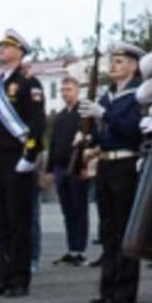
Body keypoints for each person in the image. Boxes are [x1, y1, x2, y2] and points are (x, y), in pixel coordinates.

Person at [0, 29, 45, 298]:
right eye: (1, 46)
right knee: (2, 222)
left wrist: (29, 157)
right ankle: (3, 277)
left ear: (20, 51)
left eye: (7, 46)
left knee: (19, 223)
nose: (2, 50)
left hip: (16, 160)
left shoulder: (29, 83)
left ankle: (19, 279)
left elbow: (37, 123)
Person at [86, 43, 144, 303]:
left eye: (120, 61)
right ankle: (107, 287)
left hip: (125, 164)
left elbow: (133, 130)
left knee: (123, 227)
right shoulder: (107, 96)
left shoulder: (138, 95)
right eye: (113, 61)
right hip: (106, 164)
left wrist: (105, 115)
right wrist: (88, 132)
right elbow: (102, 135)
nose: (113, 66)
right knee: (107, 229)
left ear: (133, 66)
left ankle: (125, 289)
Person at [48, 76, 90, 265]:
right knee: (67, 211)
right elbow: (54, 143)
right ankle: (71, 248)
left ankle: (79, 250)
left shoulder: (84, 113)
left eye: (69, 89)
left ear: (77, 90)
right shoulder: (61, 115)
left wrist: (85, 166)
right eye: (63, 90)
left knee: (79, 209)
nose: (65, 93)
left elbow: (89, 141)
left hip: (76, 168)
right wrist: (49, 169)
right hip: (60, 167)